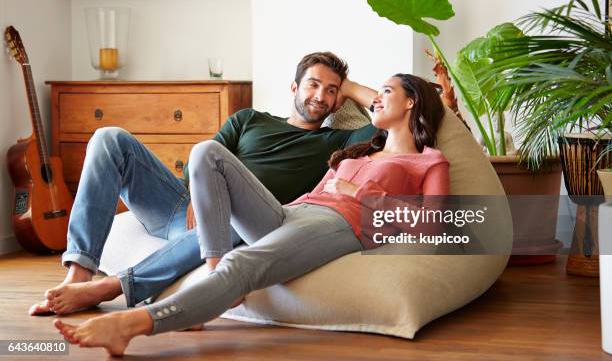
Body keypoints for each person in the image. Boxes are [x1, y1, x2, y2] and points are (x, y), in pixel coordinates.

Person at [53, 73, 450, 356]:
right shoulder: (360, 151)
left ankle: (131, 325)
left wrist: (363, 194)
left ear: (411, 101)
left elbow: (435, 224)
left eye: (386, 92)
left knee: (243, 263)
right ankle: (212, 269)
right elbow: (311, 194)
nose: (376, 98)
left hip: (340, 222)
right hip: (291, 212)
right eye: (376, 92)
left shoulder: (429, 161)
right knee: (204, 152)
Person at [30, 52, 378, 316]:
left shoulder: (338, 141)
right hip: (183, 208)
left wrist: (348, 86)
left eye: (331, 91)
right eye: (313, 84)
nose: (320, 95)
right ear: (294, 86)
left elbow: (388, 116)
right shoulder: (249, 119)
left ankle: (112, 287)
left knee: (231, 217)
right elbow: (204, 159)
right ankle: (78, 273)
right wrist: (200, 195)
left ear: (338, 100)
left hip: (237, 222)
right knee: (109, 138)